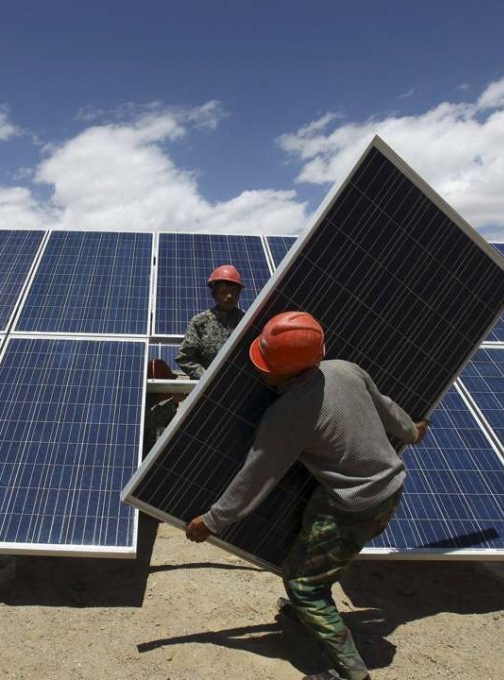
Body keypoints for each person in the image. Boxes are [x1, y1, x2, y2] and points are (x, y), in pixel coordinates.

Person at [185, 311, 430, 680]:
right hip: (390, 489)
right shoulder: (346, 369)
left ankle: (351, 672)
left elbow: (256, 476)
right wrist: (411, 431)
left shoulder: (289, 412)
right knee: (312, 549)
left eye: (267, 364)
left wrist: (213, 520)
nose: (260, 369)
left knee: (303, 585)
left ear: (287, 371)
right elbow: (386, 407)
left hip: (353, 505)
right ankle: (310, 608)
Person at [176, 264, 246, 380]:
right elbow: (185, 358)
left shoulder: (248, 321)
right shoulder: (200, 323)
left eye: (234, 291)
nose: (229, 296)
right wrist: (207, 379)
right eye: (224, 291)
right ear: (215, 295)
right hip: (210, 392)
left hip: (243, 386)